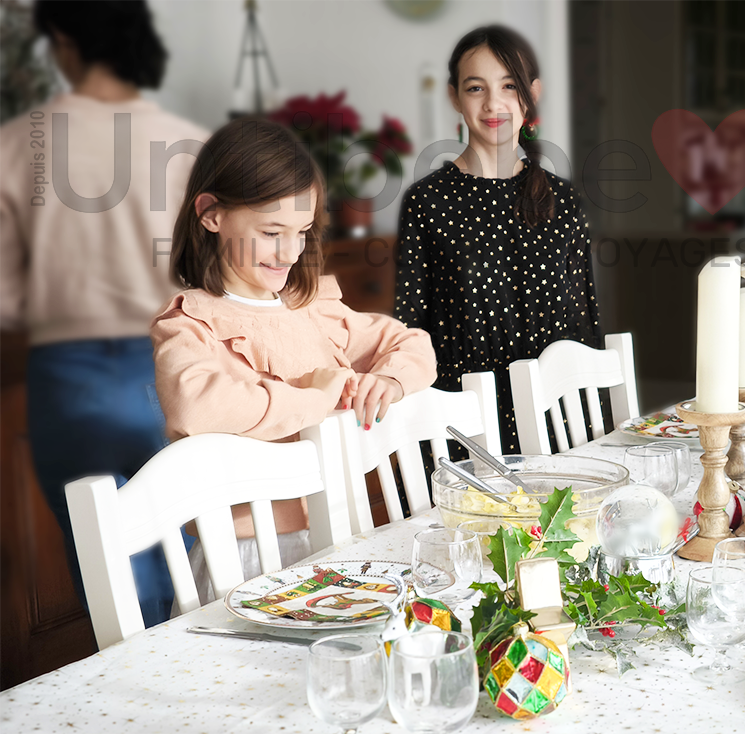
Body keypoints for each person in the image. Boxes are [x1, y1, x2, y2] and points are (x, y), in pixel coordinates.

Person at [151, 119, 436, 601]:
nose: (290, 251)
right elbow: (195, 406)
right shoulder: (190, 323)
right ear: (211, 214)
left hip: (340, 538)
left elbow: (413, 344)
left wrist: (386, 380)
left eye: (302, 231)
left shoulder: (315, 308)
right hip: (244, 558)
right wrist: (311, 399)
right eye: (271, 231)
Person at [0, 0, 208, 628]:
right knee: (190, 553)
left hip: (72, 377)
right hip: (176, 363)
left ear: (63, 39)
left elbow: (4, 295)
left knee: (112, 573)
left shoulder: (18, 144)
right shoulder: (192, 145)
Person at [395, 25, 601, 453]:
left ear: (532, 93)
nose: (493, 103)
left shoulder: (564, 201)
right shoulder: (427, 202)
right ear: (454, 96)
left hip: (560, 424)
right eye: (476, 88)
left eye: (509, 85)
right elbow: (409, 329)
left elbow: (585, 324)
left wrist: (598, 423)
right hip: (465, 425)